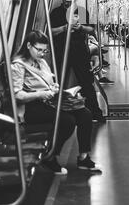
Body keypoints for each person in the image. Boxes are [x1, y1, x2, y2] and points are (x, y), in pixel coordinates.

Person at [11, 30, 101, 173]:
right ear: (28, 46)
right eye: (38, 50)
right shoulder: (18, 65)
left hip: (48, 101)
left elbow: (49, 82)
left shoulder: (41, 62)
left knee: (85, 114)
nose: (41, 54)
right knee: (67, 120)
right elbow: (18, 95)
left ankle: (83, 157)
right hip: (31, 107)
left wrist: (54, 87)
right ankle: (51, 157)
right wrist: (42, 94)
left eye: (44, 51)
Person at [50, 0, 106, 122]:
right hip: (61, 51)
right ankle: (57, 114)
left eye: (71, 0)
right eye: (66, 0)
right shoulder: (56, 13)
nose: (68, 3)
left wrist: (81, 27)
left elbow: (91, 30)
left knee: (87, 83)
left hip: (80, 51)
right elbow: (50, 32)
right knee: (58, 83)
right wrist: (64, 28)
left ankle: (95, 113)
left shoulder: (81, 11)